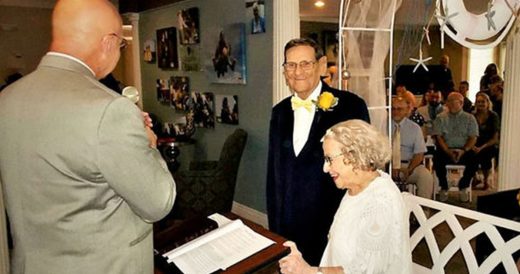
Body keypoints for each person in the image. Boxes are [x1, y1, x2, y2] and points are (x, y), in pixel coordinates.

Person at [0, 1, 176, 273]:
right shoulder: (109, 108)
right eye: (121, 45)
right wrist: (148, 143)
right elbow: (158, 203)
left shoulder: (7, 98)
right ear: (108, 42)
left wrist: (123, 137)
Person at [267, 38, 370, 264]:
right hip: (289, 225)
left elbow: (363, 171)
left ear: (322, 65)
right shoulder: (280, 112)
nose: (297, 72)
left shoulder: (351, 106)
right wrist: (275, 229)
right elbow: (274, 175)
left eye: (305, 63)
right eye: (290, 65)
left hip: (333, 223)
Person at [278, 119, 412, 274]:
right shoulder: (357, 186)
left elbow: (363, 272)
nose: (325, 168)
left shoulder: (379, 203)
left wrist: (306, 270)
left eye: (329, 159)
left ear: (355, 155)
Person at [432, 92, 479, 202]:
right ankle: (444, 187)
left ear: (461, 103)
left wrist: (463, 150)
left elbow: (473, 137)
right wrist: (448, 151)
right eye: (449, 102)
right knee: (437, 159)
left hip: (464, 149)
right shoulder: (440, 118)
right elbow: (439, 138)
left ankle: (463, 185)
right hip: (446, 149)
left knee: (475, 160)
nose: (450, 104)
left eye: (454, 102)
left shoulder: (470, 118)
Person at [391, 97, 433, 199]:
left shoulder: (415, 128)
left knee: (426, 176)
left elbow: (419, 154)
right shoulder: (382, 125)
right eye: (393, 108)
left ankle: (422, 212)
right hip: (387, 165)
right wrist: (390, 166)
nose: (396, 112)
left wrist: (409, 169)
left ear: (406, 110)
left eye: (399, 109)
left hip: (408, 165)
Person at [471, 92, 500, 190]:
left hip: (489, 144)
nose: (480, 104)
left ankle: (486, 180)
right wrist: (472, 146)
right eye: (478, 102)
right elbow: (468, 133)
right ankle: (474, 178)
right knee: (469, 153)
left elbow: (495, 138)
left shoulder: (493, 116)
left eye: (483, 102)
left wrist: (481, 147)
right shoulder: (472, 115)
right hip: (474, 142)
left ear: (488, 103)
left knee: (485, 155)